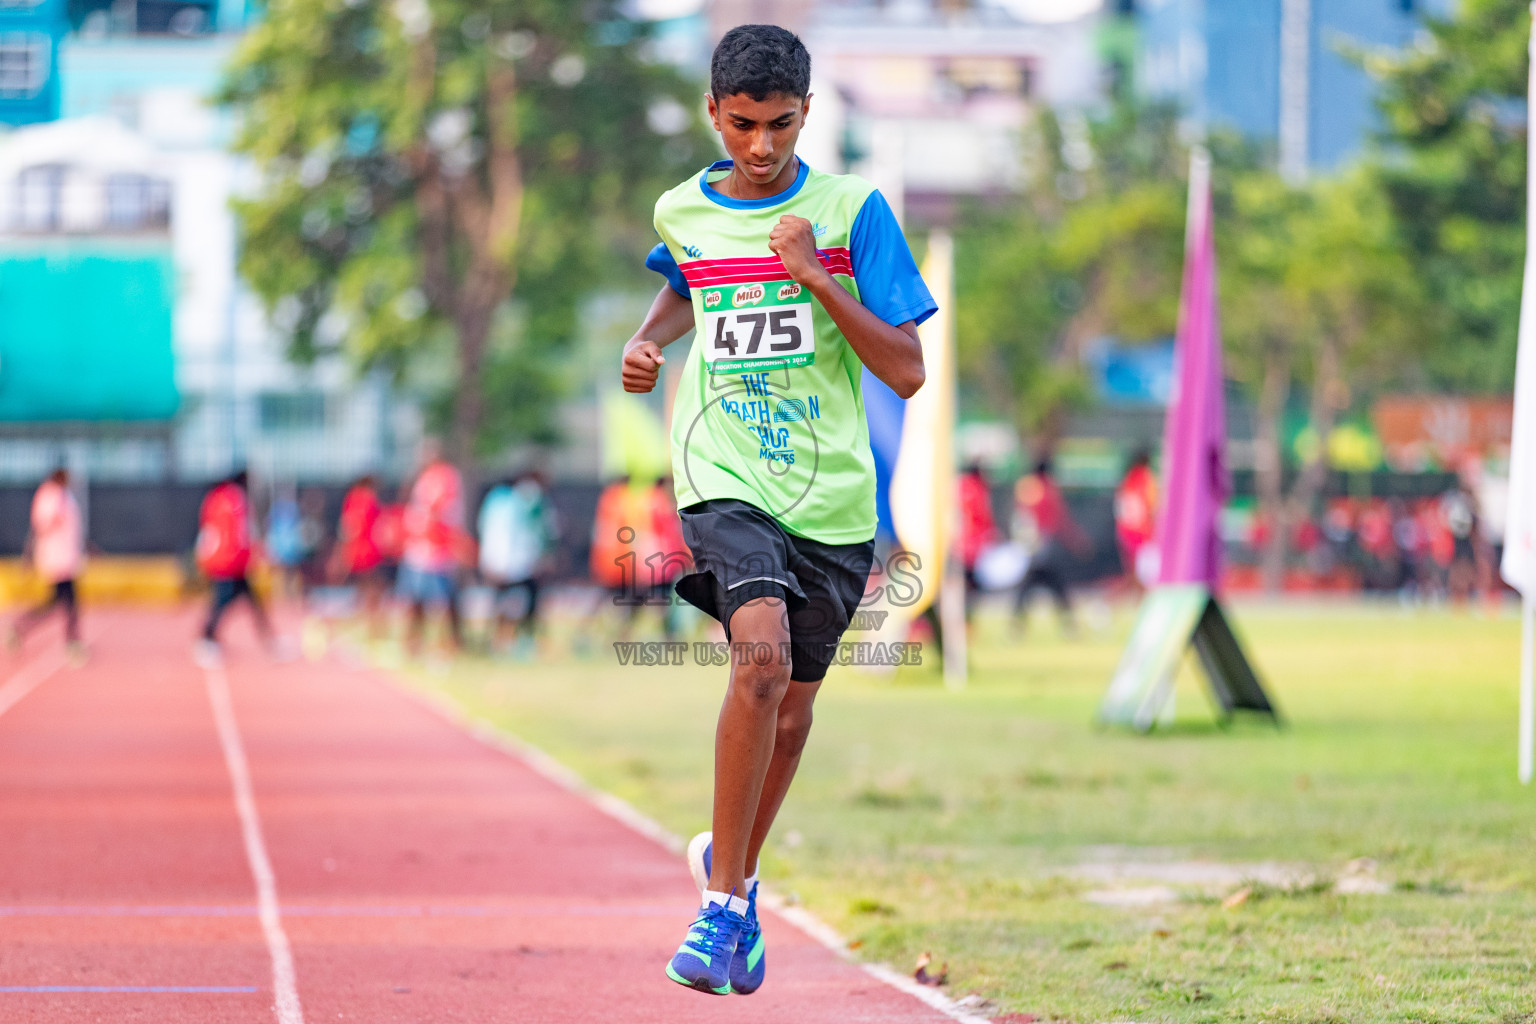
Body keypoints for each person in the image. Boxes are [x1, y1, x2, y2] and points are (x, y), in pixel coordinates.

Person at [622, 24, 934, 996]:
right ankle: (720, 912)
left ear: (809, 113)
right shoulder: (683, 209)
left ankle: (738, 873)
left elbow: (907, 369)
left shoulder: (851, 212)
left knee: (791, 716)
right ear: (715, 115)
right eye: (746, 125)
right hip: (721, 468)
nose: (763, 147)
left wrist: (815, 276)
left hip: (833, 497)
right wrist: (646, 342)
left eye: (783, 125)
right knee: (758, 658)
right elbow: (690, 285)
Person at [195, 469, 275, 667]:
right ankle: (206, 639)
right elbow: (242, 532)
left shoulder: (215, 497)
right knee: (223, 601)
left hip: (222, 559)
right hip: (231, 561)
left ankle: (268, 639)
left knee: (251, 601)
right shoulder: (236, 499)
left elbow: (208, 531)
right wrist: (256, 554)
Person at [5, 467, 86, 663]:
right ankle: (72, 642)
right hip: (57, 557)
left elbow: (70, 527)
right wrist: (30, 555)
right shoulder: (50, 495)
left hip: (67, 556)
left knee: (63, 601)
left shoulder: (63, 495)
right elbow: (42, 525)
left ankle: (22, 630)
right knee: (66, 601)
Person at [397, 440, 467, 658]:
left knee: (446, 599)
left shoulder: (444, 476)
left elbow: (437, 511)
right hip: (419, 548)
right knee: (416, 600)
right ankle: (414, 643)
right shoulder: (424, 477)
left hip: (437, 550)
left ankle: (454, 643)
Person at [478, 470, 559, 656]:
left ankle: (499, 641)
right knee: (525, 602)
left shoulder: (493, 500)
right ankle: (521, 640)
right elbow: (535, 530)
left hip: (495, 561)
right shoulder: (524, 500)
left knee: (501, 602)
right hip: (517, 563)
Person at [1012, 458, 1088, 635]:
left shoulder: (1027, 488)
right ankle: (1068, 624)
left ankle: (1018, 624)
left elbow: (1021, 518)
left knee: (1032, 585)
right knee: (1053, 584)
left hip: (1031, 545)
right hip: (1045, 545)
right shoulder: (1048, 490)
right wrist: (1076, 541)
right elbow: (1061, 520)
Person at [332, 474, 388, 637]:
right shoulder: (364, 498)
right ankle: (371, 624)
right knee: (371, 588)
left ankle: (368, 623)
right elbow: (352, 525)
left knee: (367, 588)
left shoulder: (356, 498)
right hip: (365, 550)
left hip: (361, 549)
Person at [1113, 448, 1158, 595]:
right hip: (1143, 533)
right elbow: (1153, 505)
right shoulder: (1146, 477)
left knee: (1134, 574)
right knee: (1148, 576)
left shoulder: (1128, 479)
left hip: (1127, 532)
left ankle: (1137, 597)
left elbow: (1120, 507)